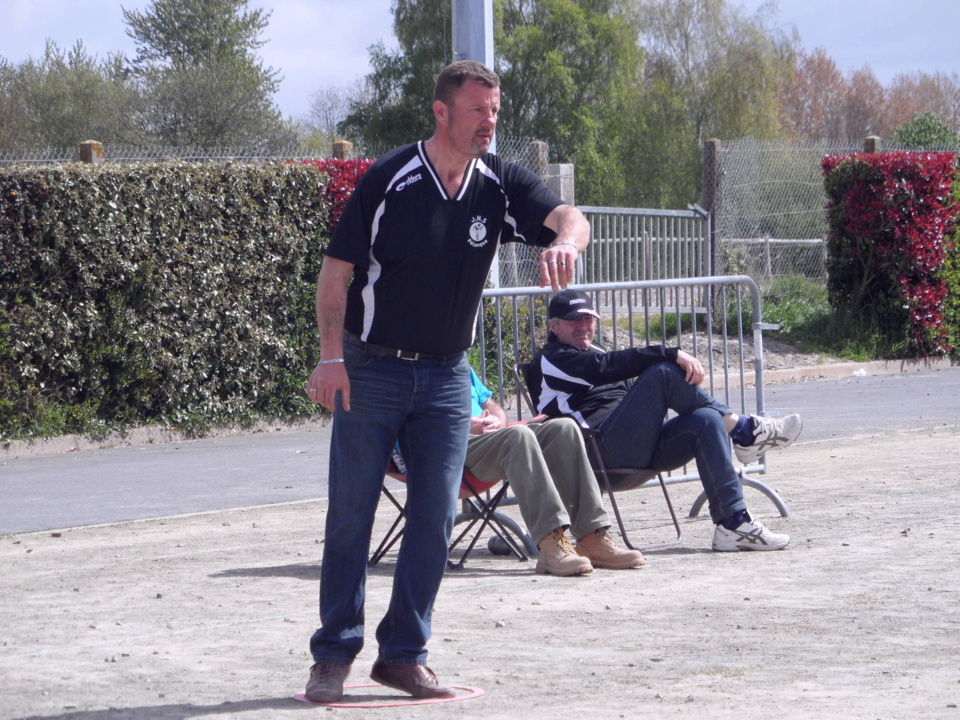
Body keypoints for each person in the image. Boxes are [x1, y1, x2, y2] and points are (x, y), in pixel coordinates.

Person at [302, 60, 590, 704]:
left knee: (435, 519)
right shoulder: (388, 180)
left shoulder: (499, 184)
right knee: (351, 515)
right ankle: (333, 655)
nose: (490, 123)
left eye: (495, 112)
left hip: (445, 378)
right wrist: (329, 357)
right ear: (442, 112)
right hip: (369, 368)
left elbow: (571, 216)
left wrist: (566, 242)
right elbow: (335, 275)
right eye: (478, 111)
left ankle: (403, 655)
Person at [529, 289, 802, 554]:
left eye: (588, 319)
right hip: (597, 453)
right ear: (553, 326)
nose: (583, 326)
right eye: (574, 320)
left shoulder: (594, 348)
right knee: (661, 372)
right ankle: (744, 431)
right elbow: (603, 367)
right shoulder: (551, 360)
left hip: (637, 446)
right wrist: (668, 353)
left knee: (706, 419)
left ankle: (733, 524)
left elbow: (617, 374)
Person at [464, 366, 644, 577]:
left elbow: (490, 404)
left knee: (563, 428)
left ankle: (591, 537)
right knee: (518, 435)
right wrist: (463, 425)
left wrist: (497, 420)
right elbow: (418, 422)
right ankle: (551, 543)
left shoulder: (458, 362)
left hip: (489, 437)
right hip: (450, 446)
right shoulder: (418, 365)